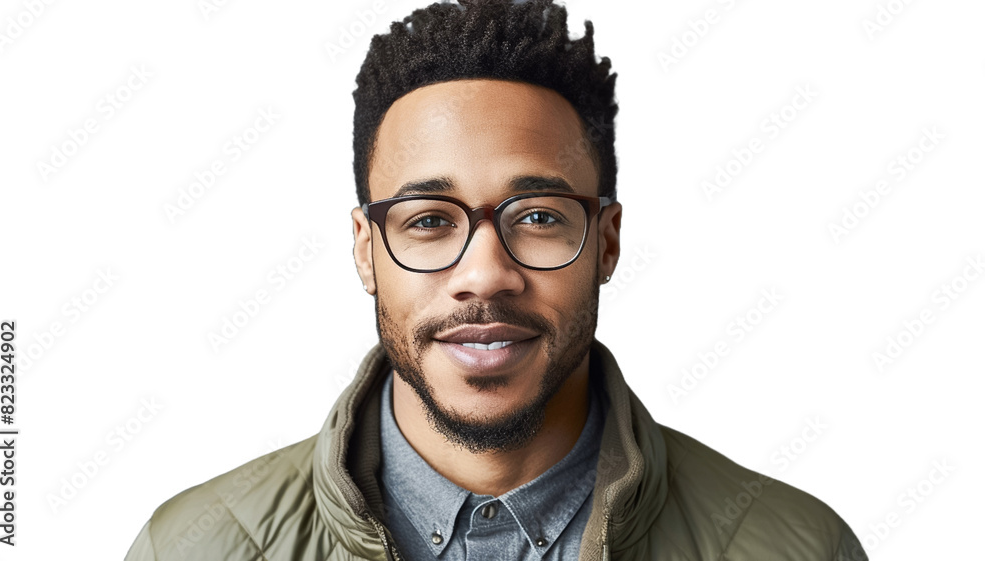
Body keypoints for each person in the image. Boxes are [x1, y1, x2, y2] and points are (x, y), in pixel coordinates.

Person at [124, 1, 867, 559]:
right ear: (364, 248)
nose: (485, 273)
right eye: (428, 220)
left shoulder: (794, 545)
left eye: (539, 217)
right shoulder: (192, 545)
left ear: (605, 242)